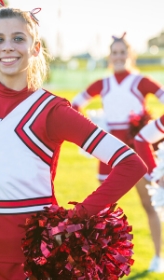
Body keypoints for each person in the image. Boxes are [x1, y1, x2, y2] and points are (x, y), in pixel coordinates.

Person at [0, 5, 147, 280]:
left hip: (34, 257)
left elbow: (130, 163)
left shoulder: (52, 111)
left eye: (18, 38)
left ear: (36, 48)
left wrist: (74, 219)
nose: (7, 47)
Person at [71, 33, 164, 272]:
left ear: (130, 55)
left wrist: (148, 126)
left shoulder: (140, 81)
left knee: (148, 204)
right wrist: (96, 126)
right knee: (101, 211)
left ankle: (158, 257)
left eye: (123, 52)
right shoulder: (103, 84)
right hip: (109, 152)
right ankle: (96, 263)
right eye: (115, 53)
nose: (119, 56)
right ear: (110, 57)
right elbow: (75, 105)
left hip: (139, 149)